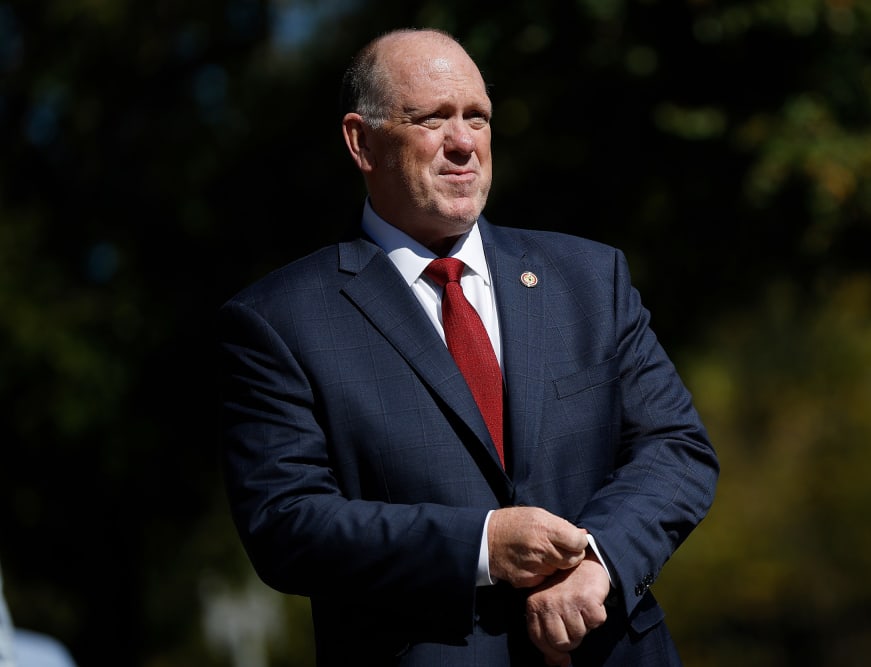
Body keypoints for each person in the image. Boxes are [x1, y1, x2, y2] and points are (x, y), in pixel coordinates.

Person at [217, 27, 719, 666]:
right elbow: (285, 523)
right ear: (361, 141)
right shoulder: (279, 321)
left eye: (476, 118)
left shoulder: (590, 278)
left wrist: (601, 562)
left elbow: (676, 447)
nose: (463, 144)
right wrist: (481, 545)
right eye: (432, 119)